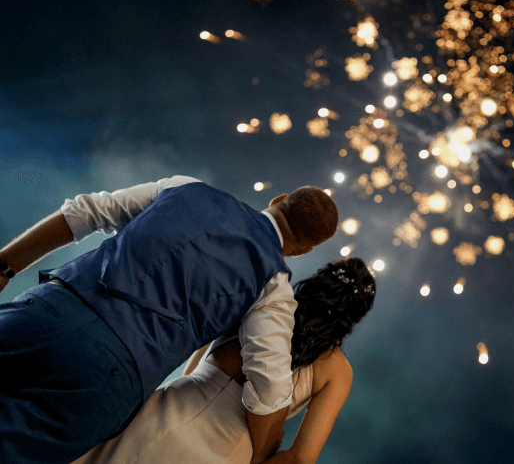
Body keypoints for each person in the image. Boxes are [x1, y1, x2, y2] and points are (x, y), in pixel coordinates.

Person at [0, 175, 338, 464]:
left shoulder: (187, 188)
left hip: (49, 310)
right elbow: (268, 386)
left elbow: (85, 212)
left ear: (277, 199)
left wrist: (5, 265)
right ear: (303, 250)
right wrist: (264, 449)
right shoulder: (275, 289)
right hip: (106, 376)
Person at [72, 257, 376, 464]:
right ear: (355, 316)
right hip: (228, 450)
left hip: (164, 410)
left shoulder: (266, 304)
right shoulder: (336, 369)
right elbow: (300, 458)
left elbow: (198, 349)